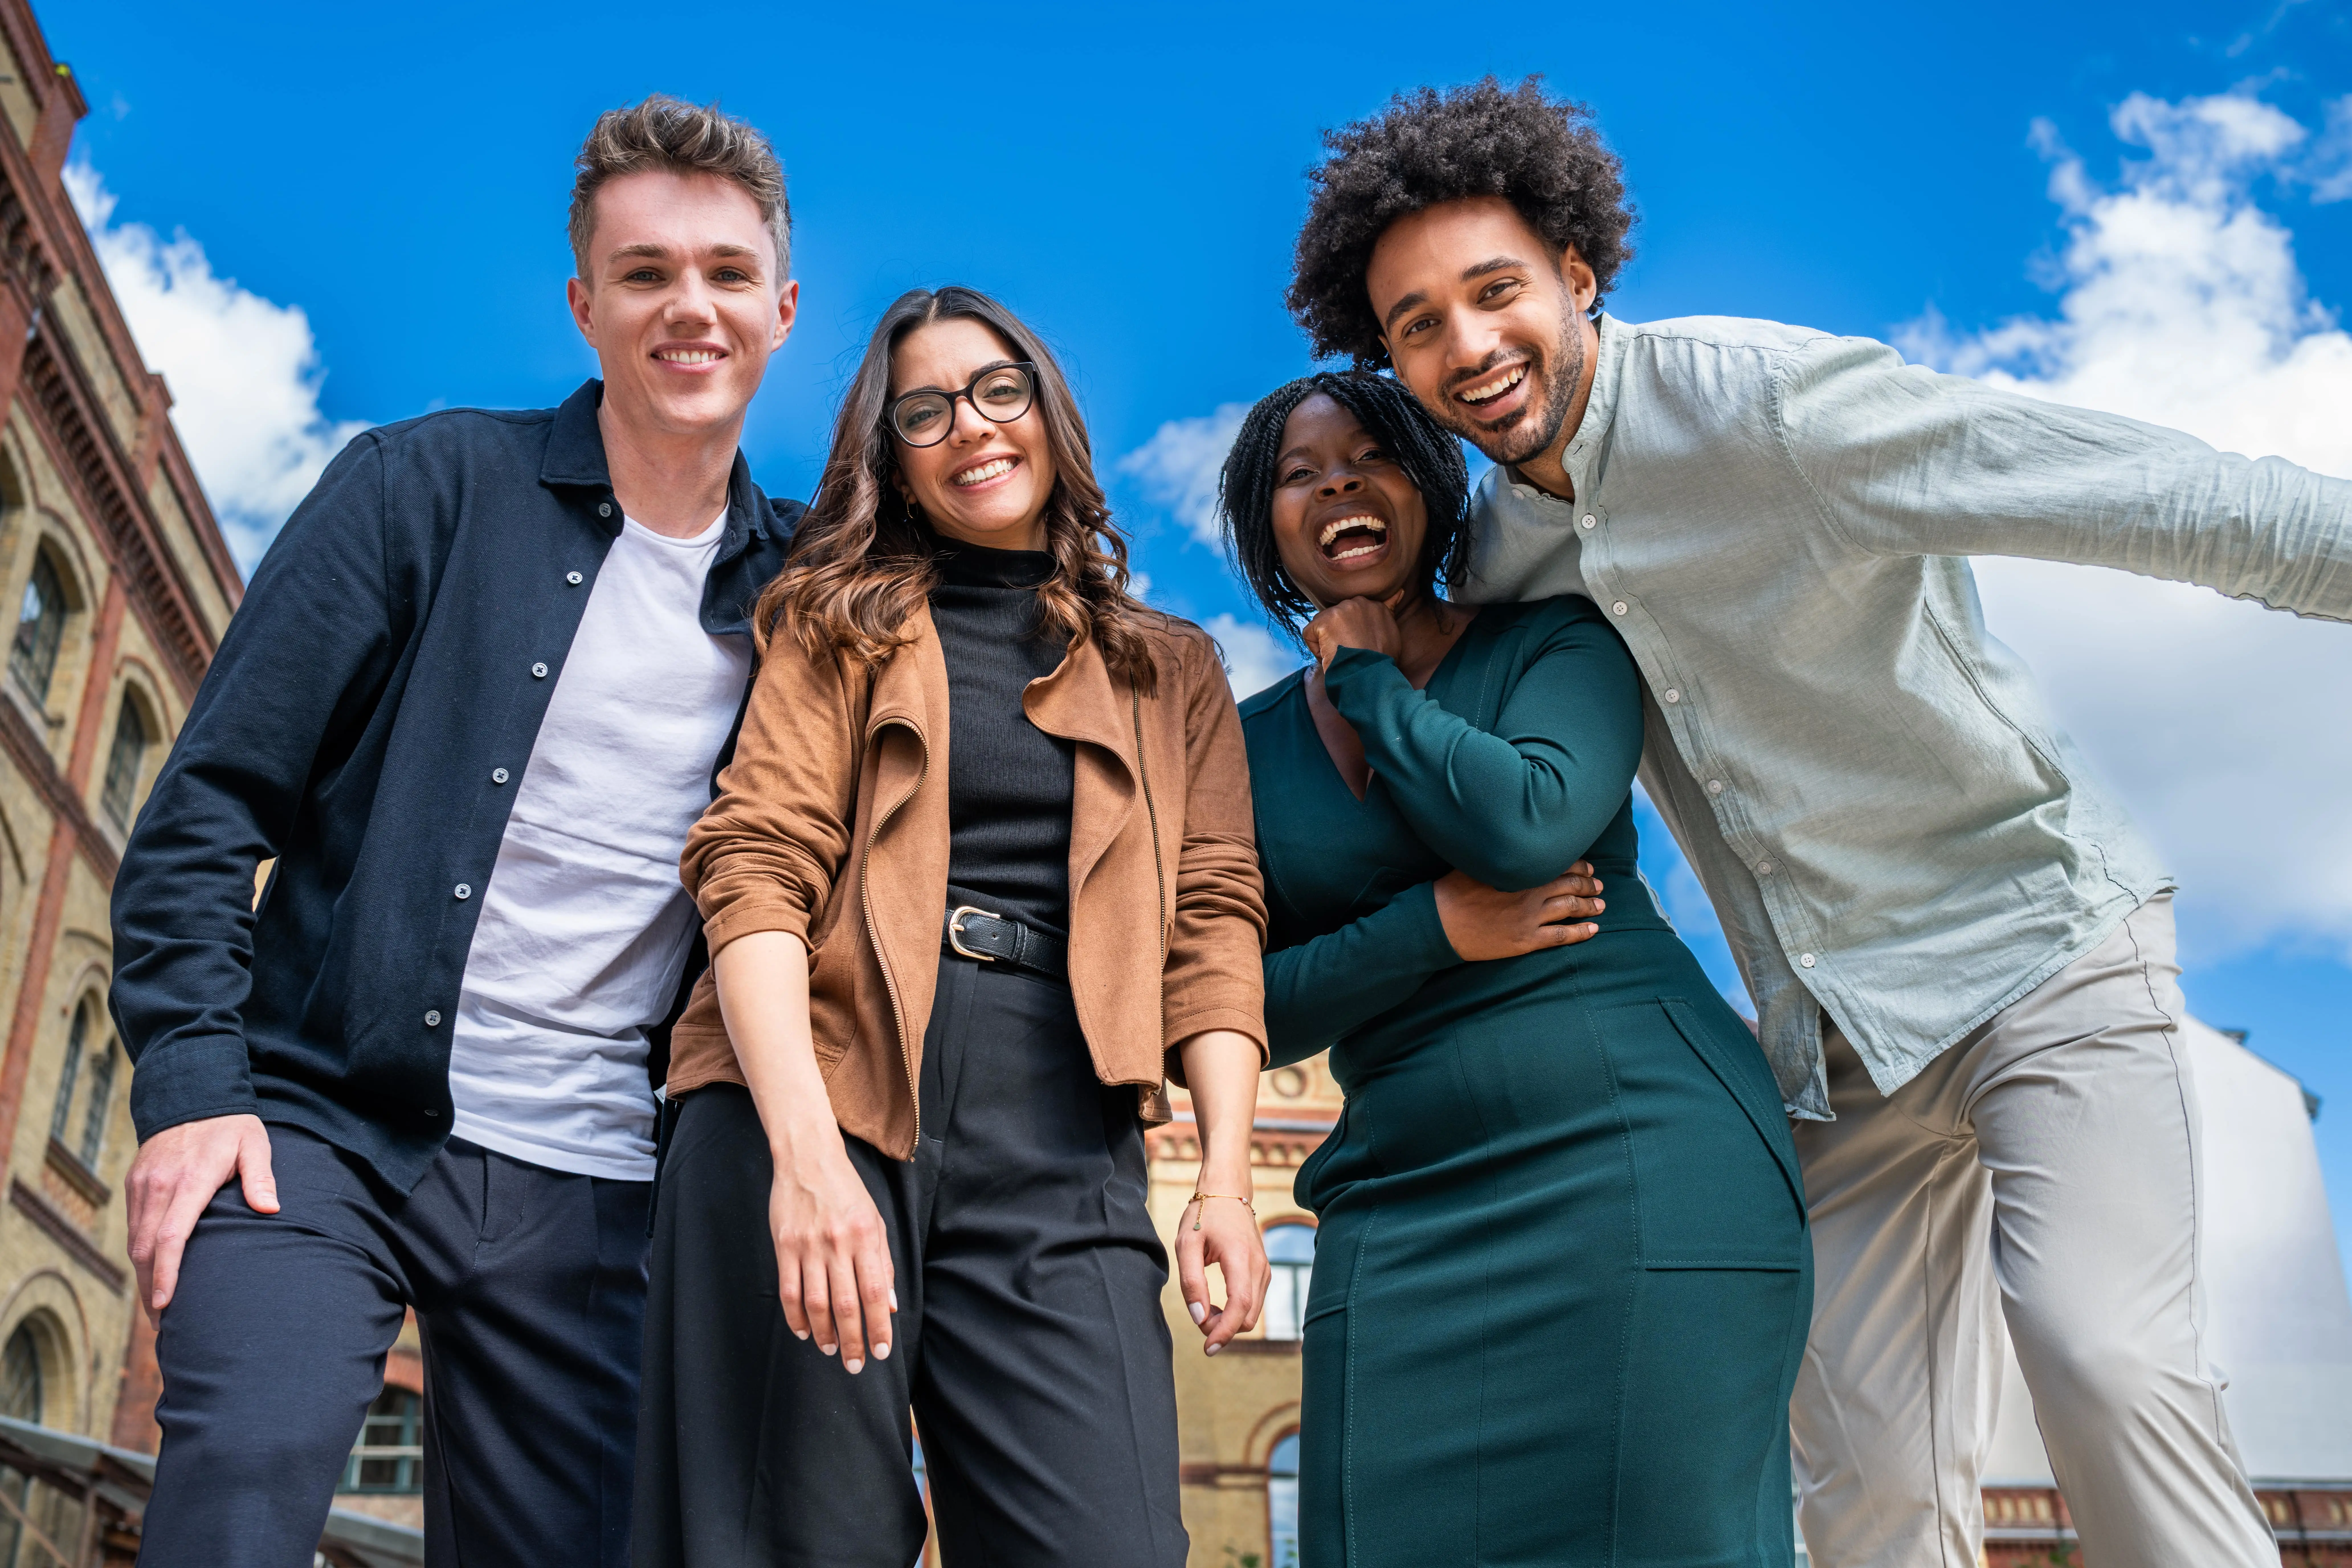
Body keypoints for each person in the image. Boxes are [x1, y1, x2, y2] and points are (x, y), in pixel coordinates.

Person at [1282, 75, 2352, 1568]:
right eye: (1418, 324)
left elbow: (2154, 495)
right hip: (1835, 1043)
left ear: (1577, 273)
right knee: (1862, 1488)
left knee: (2104, 1358)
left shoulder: (1771, 405)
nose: (1467, 346)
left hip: (2036, 944)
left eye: (1495, 291)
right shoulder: (1507, 558)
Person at [107, 97, 801, 1568]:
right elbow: (208, 807)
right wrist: (192, 1087)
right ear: (585, 304)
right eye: (646, 272)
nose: (690, 307)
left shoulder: (809, 593)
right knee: (244, 1478)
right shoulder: (420, 487)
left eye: (727, 274)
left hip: (607, 1184)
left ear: (782, 309)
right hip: (323, 1125)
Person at [632, 284, 1269, 1568]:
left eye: (997, 390)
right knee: (798, 1539)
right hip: (818, 1081)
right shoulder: (830, 622)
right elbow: (754, 863)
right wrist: (804, 1156)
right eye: (924, 411)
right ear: (894, 458)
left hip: (1065, 1119)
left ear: (1047, 412)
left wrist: (1225, 1178)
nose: (970, 426)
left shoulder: (1172, 670)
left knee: (1110, 1543)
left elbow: (1213, 919)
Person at [1220, 368, 1811, 1566]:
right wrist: (1433, 930)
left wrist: (1367, 678)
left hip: (1642, 1165)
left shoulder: (1560, 640)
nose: (1336, 484)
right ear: (1266, 526)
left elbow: (1529, 825)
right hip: (1400, 1206)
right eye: (1298, 474)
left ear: (1431, 487)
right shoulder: (1239, 749)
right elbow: (1233, 1005)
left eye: (1371, 457)